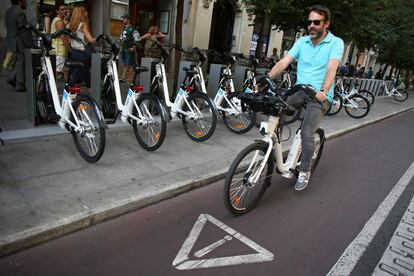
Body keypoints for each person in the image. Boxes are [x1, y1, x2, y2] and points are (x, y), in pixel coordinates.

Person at [265, 4, 344, 191]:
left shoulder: (336, 43)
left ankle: (304, 170)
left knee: (307, 133)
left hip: (319, 96)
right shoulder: (302, 42)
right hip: (300, 90)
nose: (312, 25)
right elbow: (285, 61)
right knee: (275, 106)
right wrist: (267, 77)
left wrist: (324, 90)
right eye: (309, 22)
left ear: (326, 24)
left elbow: (331, 67)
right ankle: (274, 145)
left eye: (316, 22)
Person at [5, 0, 33, 92]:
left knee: (19, 61)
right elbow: (24, 31)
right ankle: (19, 83)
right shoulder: (20, 13)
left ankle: (13, 79)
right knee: (21, 61)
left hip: (11, 40)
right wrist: (30, 44)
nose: (25, 3)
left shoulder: (8, 12)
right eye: (24, 1)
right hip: (20, 41)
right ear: (20, 2)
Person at [68, 6, 97, 88]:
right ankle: (70, 88)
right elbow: (91, 40)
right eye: (85, 12)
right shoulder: (83, 25)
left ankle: (89, 87)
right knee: (81, 69)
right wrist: (98, 39)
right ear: (82, 14)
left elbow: (69, 41)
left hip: (74, 52)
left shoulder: (71, 26)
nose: (87, 14)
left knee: (84, 70)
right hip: (82, 53)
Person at [119, 14, 140, 82]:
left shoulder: (133, 29)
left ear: (128, 20)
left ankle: (131, 78)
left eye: (124, 18)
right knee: (124, 63)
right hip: (123, 48)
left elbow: (137, 39)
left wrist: (133, 48)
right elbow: (121, 38)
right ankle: (123, 77)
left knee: (130, 64)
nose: (123, 20)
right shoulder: (124, 28)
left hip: (129, 48)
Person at [51, 4, 69, 81]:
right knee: (56, 71)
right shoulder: (59, 22)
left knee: (65, 70)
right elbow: (62, 37)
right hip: (59, 50)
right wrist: (69, 48)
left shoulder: (57, 20)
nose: (64, 11)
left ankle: (68, 89)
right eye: (62, 9)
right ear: (57, 11)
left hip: (59, 49)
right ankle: (52, 91)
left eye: (65, 9)